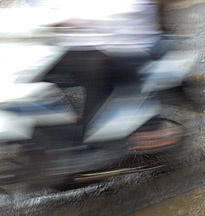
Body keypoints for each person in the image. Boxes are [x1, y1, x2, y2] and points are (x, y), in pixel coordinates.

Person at [29, 0, 163, 128]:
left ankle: (95, 134)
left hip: (126, 48)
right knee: (46, 80)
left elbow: (122, 11)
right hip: (88, 48)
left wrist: (77, 19)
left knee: (97, 85)